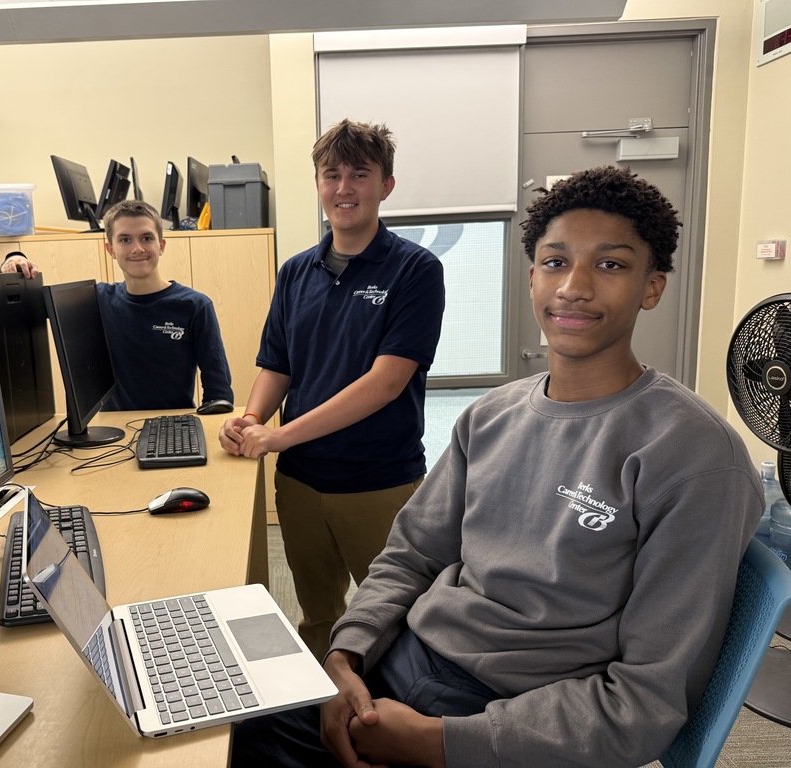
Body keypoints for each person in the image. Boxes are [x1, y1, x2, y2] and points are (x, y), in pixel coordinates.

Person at [232, 165, 764, 768]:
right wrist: (346, 656)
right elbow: (411, 554)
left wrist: (435, 742)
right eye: (556, 262)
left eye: (611, 265)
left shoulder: (692, 456)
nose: (575, 287)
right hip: (401, 662)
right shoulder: (493, 416)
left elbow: (644, 701)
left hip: (510, 715)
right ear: (532, 275)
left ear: (652, 286)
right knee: (225, 733)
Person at [218, 119, 446, 660]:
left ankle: (388, 725)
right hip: (301, 484)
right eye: (332, 175)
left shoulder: (416, 270)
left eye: (360, 175)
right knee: (319, 615)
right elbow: (278, 365)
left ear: (386, 185)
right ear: (318, 184)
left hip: (378, 483)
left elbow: (385, 383)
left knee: (395, 619)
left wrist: (279, 436)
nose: (344, 188)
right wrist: (253, 417)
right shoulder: (297, 272)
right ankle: (324, 716)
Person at [1, 199, 233, 411]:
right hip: (115, 433)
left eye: (146, 238)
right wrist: (13, 259)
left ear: (161, 246)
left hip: (174, 426)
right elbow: (28, 307)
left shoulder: (195, 306)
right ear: (110, 250)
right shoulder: (95, 300)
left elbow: (218, 393)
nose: (137, 248)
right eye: (125, 240)